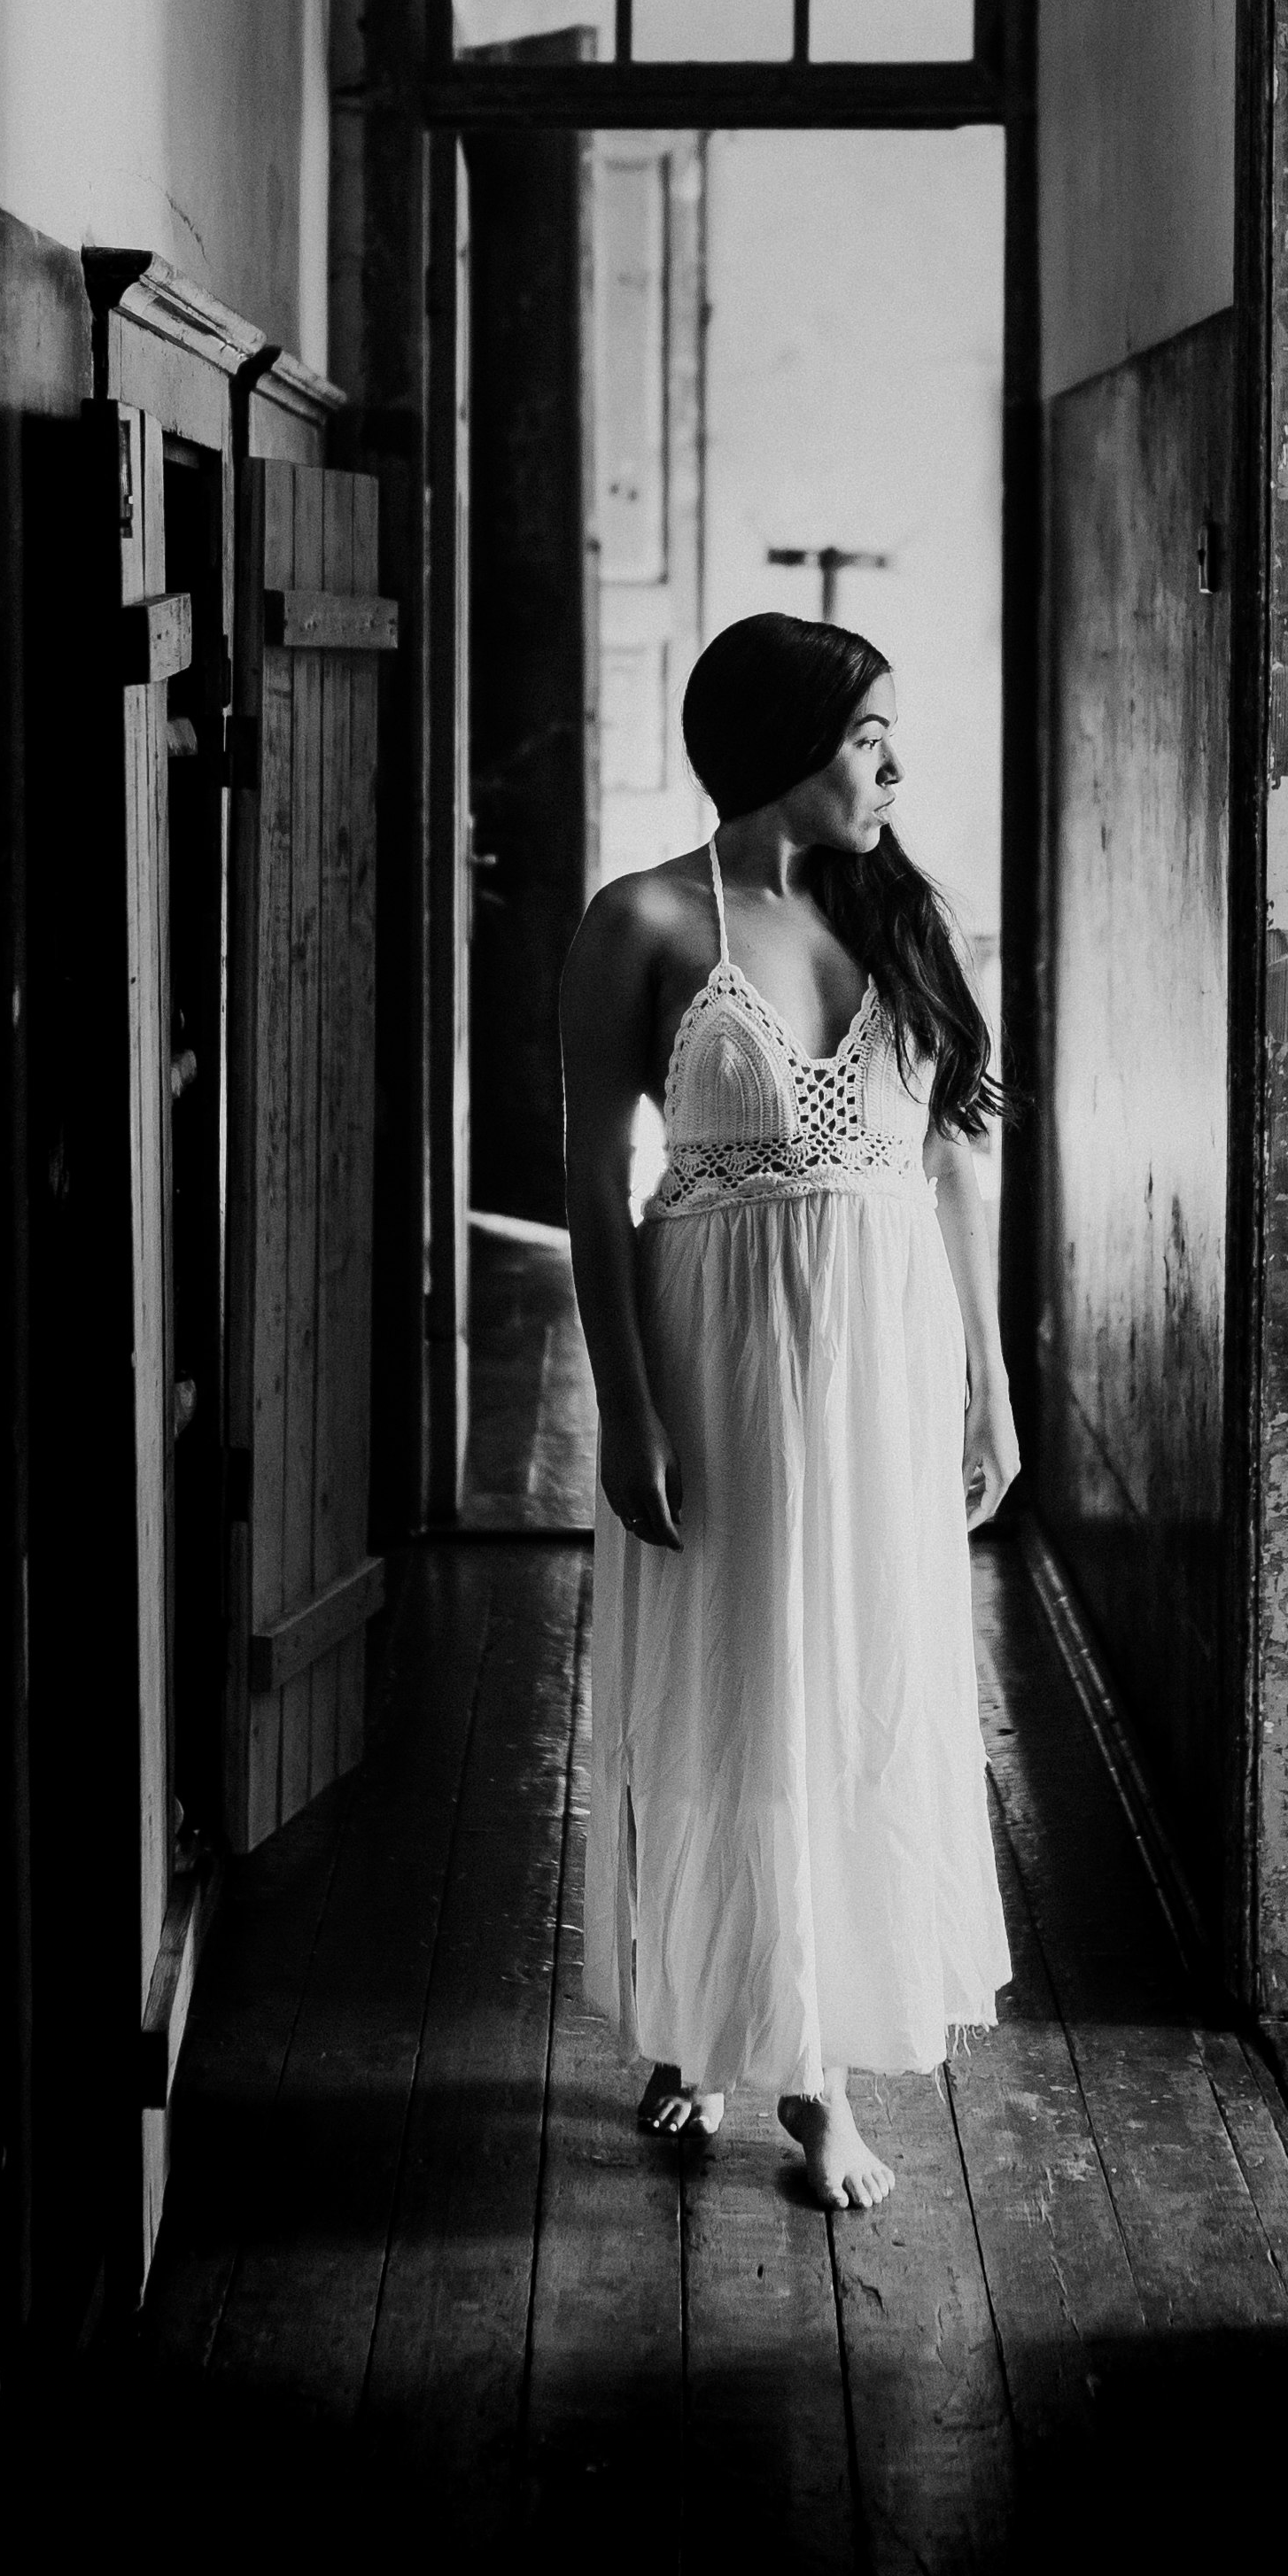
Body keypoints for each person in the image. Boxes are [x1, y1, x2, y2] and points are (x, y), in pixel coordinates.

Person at [561, 615, 1019, 2212]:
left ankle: (810, 2065)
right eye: (869, 734)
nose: (896, 765)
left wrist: (991, 1383)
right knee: (729, 1685)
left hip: (881, 1365)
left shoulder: (903, 920)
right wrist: (624, 1410)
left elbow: (958, 1160)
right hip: (720, 1361)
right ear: (775, 739)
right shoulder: (642, 923)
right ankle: (725, 2036)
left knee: (849, 1687)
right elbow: (588, 1184)